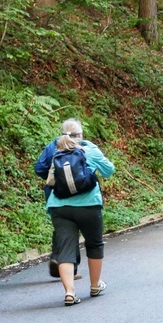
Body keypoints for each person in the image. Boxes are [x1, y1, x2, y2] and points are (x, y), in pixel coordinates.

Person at [40, 118, 114, 306]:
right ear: (80, 135)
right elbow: (108, 170)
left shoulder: (54, 150)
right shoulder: (90, 150)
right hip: (89, 205)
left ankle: (70, 292)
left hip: (59, 206)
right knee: (94, 244)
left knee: (65, 248)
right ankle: (95, 285)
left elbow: (40, 169)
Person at [35, 127, 83, 280]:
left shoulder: (52, 145)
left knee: (61, 225)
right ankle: (69, 267)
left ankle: (58, 257)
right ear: (77, 134)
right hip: (74, 192)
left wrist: (54, 178)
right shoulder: (81, 147)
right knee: (72, 227)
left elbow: (39, 167)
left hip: (53, 192)